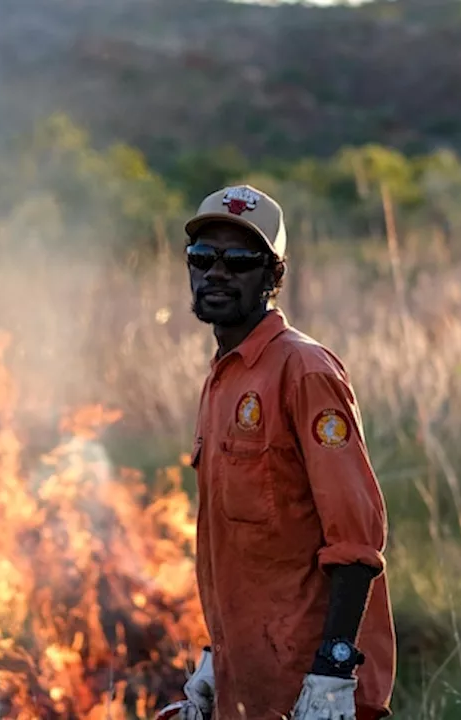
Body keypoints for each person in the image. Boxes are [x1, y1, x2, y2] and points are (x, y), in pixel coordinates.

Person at [176, 185, 396, 720]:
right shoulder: (221, 377)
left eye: (242, 260)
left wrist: (333, 672)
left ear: (273, 276)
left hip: (312, 692)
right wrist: (218, 657)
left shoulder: (306, 371)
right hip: (250, 685)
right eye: (204, 258)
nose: (217, 273)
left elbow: (357, 539)